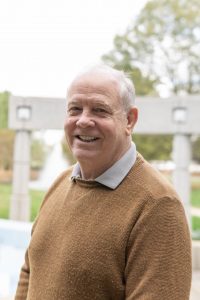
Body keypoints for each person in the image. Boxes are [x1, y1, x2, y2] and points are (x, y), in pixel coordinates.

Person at [15, 65, 191, 300]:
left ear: (129, 120)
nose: (84, 121)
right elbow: (30, 271)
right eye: (75, 109)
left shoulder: (158, 205)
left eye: (99, 110)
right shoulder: (59, 183)